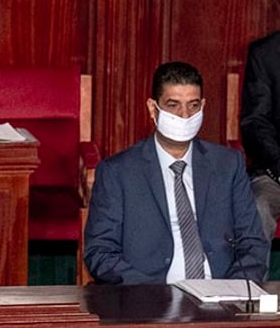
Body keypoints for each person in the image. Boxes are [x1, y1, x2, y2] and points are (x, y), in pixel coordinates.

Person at [84, 62, 268, 284]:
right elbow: (100, 252)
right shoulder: (118, 172)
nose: (184, 115)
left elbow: (253, 242)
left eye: (193, 105)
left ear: (203, 106)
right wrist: (154, 294)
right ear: (153, 108)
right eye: (173, 105)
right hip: (150, 299)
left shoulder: (227, 165)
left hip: (220, 295)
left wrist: (231, 290)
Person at [241, 0, 280, 238]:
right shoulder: (264, 55)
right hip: (275, 172)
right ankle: (253, 278)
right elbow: (255, 122)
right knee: (257, 206)